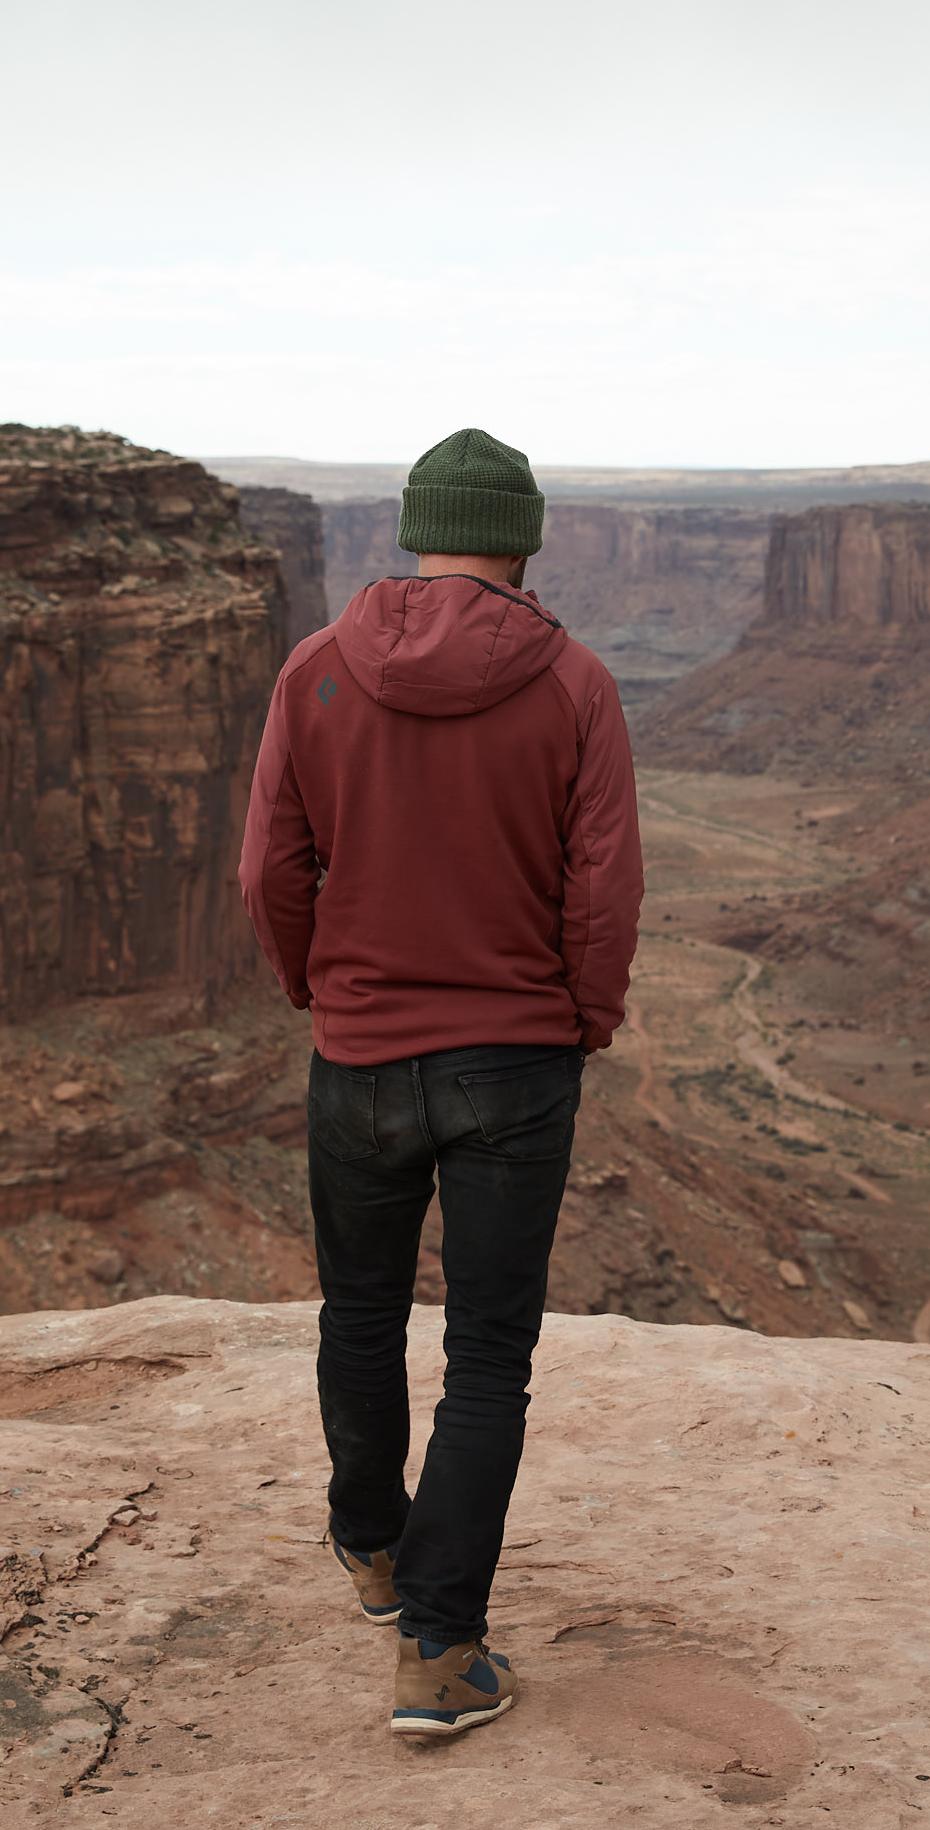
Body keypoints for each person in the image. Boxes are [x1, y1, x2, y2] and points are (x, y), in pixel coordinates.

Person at [237, 426, 644, 1738]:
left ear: (416, 530)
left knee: (358, 1317)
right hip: (512, 1063)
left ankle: (371, 1549)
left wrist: (320, 989)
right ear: (523, 538)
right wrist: (581, 1016)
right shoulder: (573, 681)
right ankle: (439, 1652)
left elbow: (267, 875)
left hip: (357, 1054)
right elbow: (605, 887)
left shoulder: (313, 670)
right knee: (486, 1356)